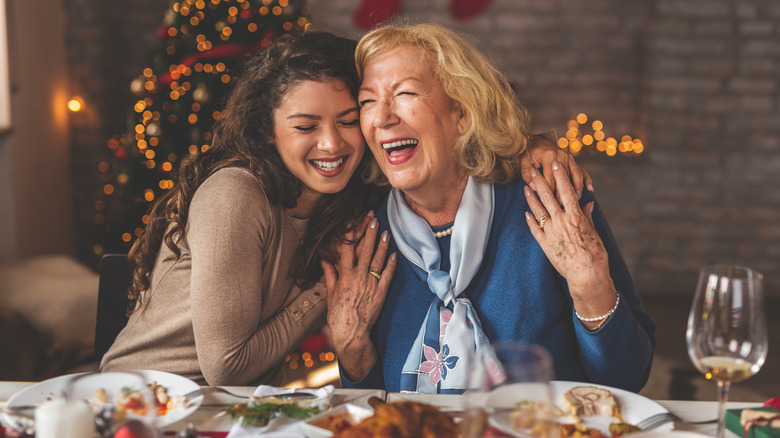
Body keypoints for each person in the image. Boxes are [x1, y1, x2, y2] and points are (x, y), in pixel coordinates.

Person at [100, 29, 584, 386]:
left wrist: (533, 147)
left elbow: (460, 137)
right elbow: (226, 367)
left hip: (230, 408)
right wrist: (321, 290)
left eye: (350, 119)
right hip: (144, 401)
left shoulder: (355, 198)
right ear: (269, 132)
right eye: (305, 126)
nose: (331, 144)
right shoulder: (236, 194)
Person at [324, 23, 655, 394]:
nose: (382, 117)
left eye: (405, 93)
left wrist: (590, 286)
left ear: (462, 113)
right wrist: (351, 351)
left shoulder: (547, 198)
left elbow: (628, 377)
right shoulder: (365, 233)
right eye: (367, 101)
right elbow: (368, 407)